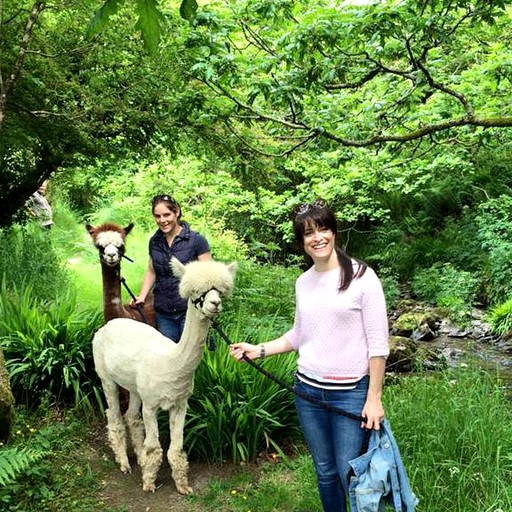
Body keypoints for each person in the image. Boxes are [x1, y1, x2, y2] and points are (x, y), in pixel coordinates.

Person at [229, 200, 390, 512]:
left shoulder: (362, 277)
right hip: (307, 392)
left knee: (351, 474)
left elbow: (378, 345)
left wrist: (374, 398)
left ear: (333, 231)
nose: (317, 238)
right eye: (309, 233)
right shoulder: (303, 282)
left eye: (323, 229)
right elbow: (299, 335)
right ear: (302, 242)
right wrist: (258, 350)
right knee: (325, 472)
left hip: (350, 395)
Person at [131, 194, 211, 342]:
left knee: (191, 358)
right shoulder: (154, 242)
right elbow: (152, 270)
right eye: (158, 216)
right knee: (168, 357)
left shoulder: (196, 241)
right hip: (164, 312)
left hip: (189, 310)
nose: (162, 220)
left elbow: (209, 276)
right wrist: (142, 296)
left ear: (177, 212)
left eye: (167, 215)